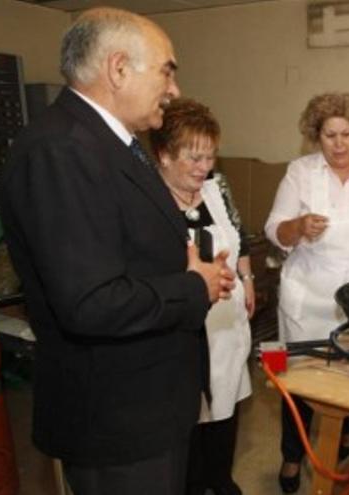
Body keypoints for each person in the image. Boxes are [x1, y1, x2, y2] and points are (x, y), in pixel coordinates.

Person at [0, 8, 235, 495]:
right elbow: (91, 302)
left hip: (149, 408)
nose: (174, 88)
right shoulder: (62, 150)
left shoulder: (114, 144)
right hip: (115, 421)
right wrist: (194, 286)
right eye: (167, 69)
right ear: (119, 68)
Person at [264, 92, 349, 493]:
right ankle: (293, 455)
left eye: (346, 134)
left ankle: (341, 433)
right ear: (316, 136)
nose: (339, 144)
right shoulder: (300, 172)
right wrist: (299, 226)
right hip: (307, 296)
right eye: (329, 135)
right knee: (299, 381)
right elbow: (274, 227)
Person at [150, 98, 254, 495]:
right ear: (163, 154)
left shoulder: (216, 188)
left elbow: (238, 234)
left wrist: (247, 278)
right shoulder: (150, 203)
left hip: (225, 322)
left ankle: (220, 479)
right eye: (193, 158)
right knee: (191, 414)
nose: (203, 168)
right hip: (184, 327)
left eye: (209, 157)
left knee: (226, 404)